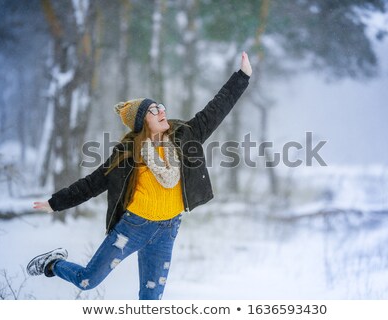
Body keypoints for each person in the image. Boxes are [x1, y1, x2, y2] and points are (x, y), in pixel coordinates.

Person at [27, 52, 252, 300]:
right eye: (154, 110)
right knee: (87, 280)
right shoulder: (127, 154)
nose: (162, 111)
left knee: (150, 300)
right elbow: (92, 184)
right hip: (132, 229)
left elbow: (216, 109)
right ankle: (53, 263)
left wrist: (242, 76)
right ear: (141, 121)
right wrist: (55, 203)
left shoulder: (185, 136)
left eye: (161, 106)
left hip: (167, 229)